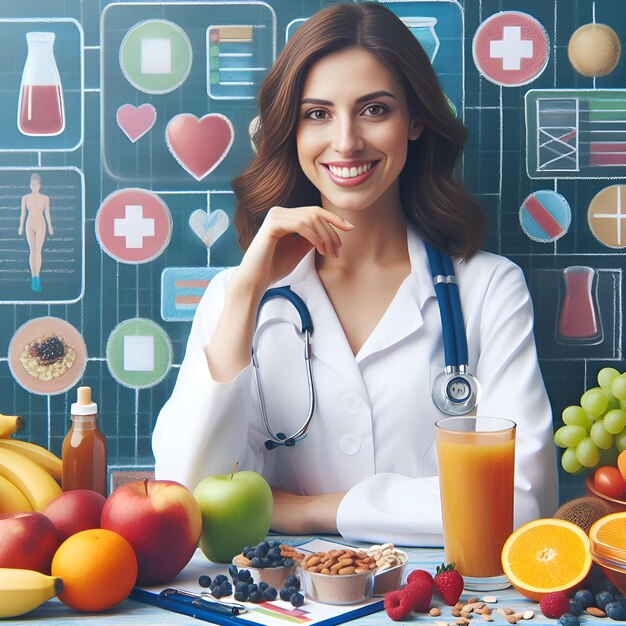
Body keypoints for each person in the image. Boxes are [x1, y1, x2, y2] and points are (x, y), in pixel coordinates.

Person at [153, 1, 558, 545]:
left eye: (374, 110)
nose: (346, 141)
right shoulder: (238, 297)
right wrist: (247, 292)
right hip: (278, 604)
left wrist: (311, 509)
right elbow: (183, 503)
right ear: (291, 130)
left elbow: (519, 504)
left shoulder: (487, 289)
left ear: (415, 120)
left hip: (439, 603)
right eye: (317, 114)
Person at [17, 172, 54, 292]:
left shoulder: (45, 198)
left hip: (41, 224)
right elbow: (23, 213)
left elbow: (47, 213)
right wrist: (21, 226)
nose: (35, 186)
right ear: (30, 185)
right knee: (32, 251)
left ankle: (37, 277)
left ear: (40, 185)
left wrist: (50, 226)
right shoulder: (25, 198)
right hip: (29, 224)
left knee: (38, 251)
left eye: (37, 183)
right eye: (33, 183)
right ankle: (33, 276)